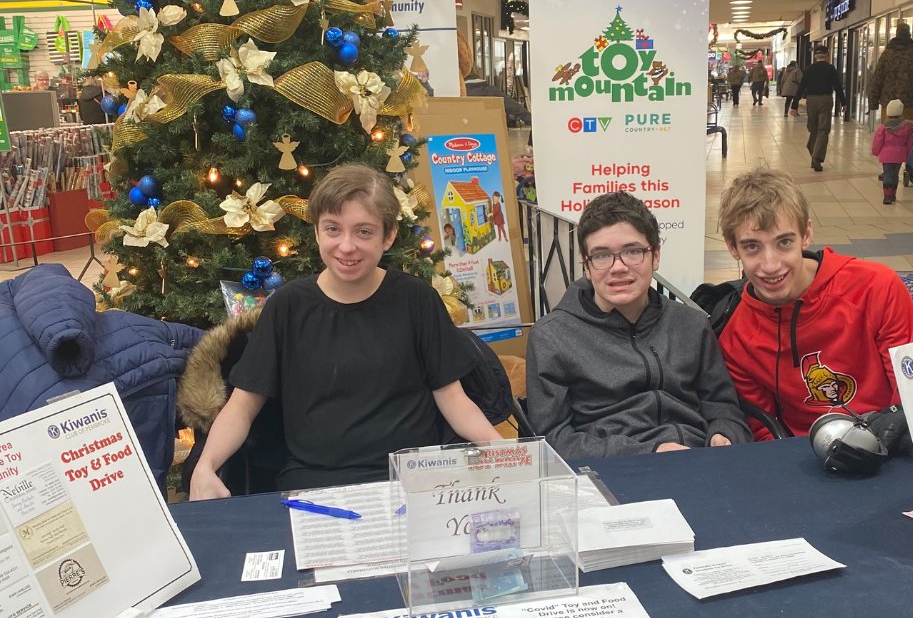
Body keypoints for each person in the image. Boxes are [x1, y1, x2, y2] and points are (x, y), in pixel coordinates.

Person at [189, 164, 500, 498]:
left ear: (389, 235)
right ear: (317, 233)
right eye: (333, 229)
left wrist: (503, 453)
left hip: (411, 481)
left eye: (364, 231)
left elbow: (452, 397)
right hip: (314, 487)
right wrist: (205, 467)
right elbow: (242, 405)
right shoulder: (288, 306)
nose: (346, 246)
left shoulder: (416, 299)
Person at [526, 191, 751, 459]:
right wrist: (649, 451)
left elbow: (722, 403)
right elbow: (553, 439)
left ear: (655, 256)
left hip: (698, 459)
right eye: (601, 255)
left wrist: (724, 432)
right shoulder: (553, 338)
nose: (618, 267)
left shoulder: (690, 323)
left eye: (632, 251)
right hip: (614, 471)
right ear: (586, 266)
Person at [717, 169, 913, 440]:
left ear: (806, 234)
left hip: (891, 441)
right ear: (732, 248)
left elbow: (912, 390)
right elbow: (763, 430)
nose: (770, 265)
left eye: (784, 243)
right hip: (804, 458)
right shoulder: (736, 338)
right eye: (752, 247)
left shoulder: (876, 287)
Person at [867, 21, 913, 186]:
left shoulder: (887, 54)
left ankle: (889, 168)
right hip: (910, 102)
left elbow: (877, 79)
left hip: (889, 103)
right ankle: (910, 165)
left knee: (890, 135)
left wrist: (873, 101)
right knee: (909, 134)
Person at [794, 46, 847, 171]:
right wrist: (844, 102)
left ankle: (813, 152)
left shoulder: (808, 69)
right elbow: (838, 86)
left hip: (811, 100)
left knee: (813, 129)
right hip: (825, 99)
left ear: (815, 56)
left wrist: (794, 105)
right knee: (823, 129)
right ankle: (816, 158)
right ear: (827, 54)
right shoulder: (830, 69)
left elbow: (801, 87)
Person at [872, 99, 913, 205]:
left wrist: (875, 152)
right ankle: (893, 194)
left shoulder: (883, 128)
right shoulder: (906, 128)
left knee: (887, 174)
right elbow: (909, 143)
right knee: (895, 175)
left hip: (886, 156)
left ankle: (887, 196)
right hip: (899, 156)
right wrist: (908, 155)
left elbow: (878, 141)